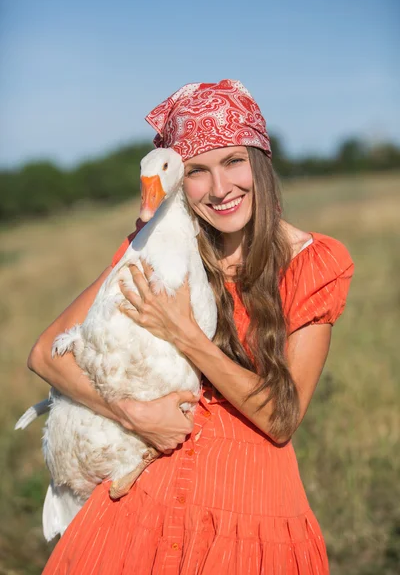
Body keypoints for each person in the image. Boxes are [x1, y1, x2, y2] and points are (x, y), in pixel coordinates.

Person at [31, 79, 354, 574]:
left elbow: (281, 419)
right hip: (140, 509)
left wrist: (186, 335)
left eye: (233, 162)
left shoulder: (313, 264)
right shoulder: (156, 246)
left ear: (260, 164)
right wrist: (132, 412)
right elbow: (44, 355)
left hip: (248, 521)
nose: (220, 188)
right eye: (198, 172)